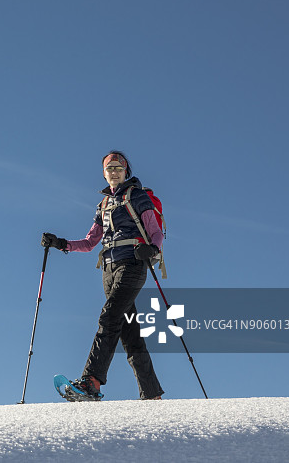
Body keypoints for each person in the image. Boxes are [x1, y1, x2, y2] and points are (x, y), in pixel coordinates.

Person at [41, 150, 165, 400]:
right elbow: (90, 242)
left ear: (126, 171)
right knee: (130, 335)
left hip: (132, 264)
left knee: (109, 317)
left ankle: (92, 382)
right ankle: (152, 395)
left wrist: (152, 249)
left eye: (119, 168)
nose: (114, 172)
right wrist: (61, 244)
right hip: (108, 270)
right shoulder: (104, 205)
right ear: (104, 173)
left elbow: (156, 232)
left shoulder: (138, 197)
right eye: (110, 168)